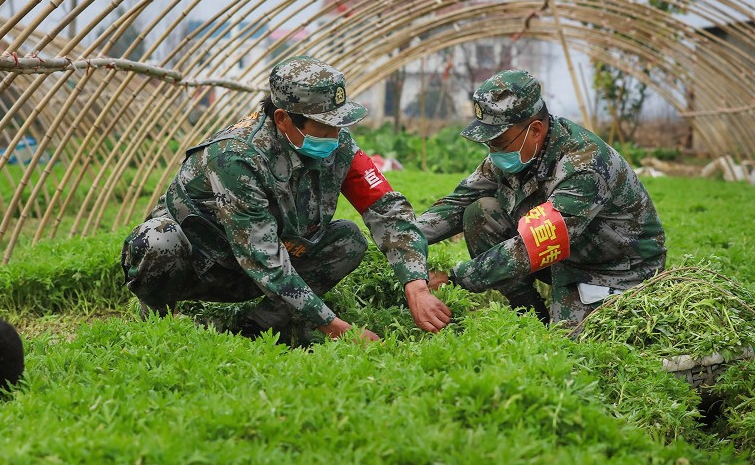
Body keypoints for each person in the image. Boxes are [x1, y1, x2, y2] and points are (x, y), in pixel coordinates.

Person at [121, 55, 452, 346]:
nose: (335, 135)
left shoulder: (339, 145)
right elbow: (261, 254)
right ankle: (158, 322)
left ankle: (255, 328)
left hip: (260, 268)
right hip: (202, 265)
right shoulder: (236, 156)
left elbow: (386, 208)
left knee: (348, 240)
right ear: (283, 119)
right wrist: (336, 327)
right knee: (158, 240)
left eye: (339, 123)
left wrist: (416, 284)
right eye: (324, 125)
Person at [421, 69, 666, 324]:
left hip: (614, 267)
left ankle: (556, 317)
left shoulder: (584, 164)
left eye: (499, 141)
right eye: (488, 142)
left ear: (535, 130)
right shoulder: (516, 151)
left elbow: (533, 246)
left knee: (571, 346)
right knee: (480, 212)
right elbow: (456, 203)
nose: (492, 151)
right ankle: (530, 313)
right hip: (562, 254)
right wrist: (404, 238)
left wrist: (454, 278)